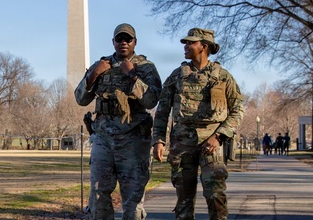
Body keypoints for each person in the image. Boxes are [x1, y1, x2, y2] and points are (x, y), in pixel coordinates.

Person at [152, 28, 244, 220]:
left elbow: (237, 110)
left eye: (190, 43)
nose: (186, 46)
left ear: (204, 46)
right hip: (182, 143)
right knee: (184, 200)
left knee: (215, 196)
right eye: (185, 43)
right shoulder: (177, 75)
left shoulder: (223, 77)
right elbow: (162, 110)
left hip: (212, 143)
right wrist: (158, 140)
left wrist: (219, 136)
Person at [75, 23, 162, 220]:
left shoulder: (145, 67)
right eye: (119, 39)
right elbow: (80, 99)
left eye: (128, 39)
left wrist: (132, 76)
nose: (123, 42)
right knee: (98, 195)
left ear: (135, 42)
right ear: (113, 42)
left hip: (133, 140)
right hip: (103, 139)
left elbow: (152, 100)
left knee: (132, 198)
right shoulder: (101, 65)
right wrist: (93, 74)